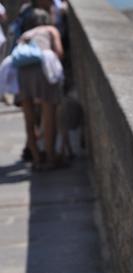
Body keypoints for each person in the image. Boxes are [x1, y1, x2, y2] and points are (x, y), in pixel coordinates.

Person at [16, 9, 64, 170]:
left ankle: (36, 159)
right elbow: (59, 52)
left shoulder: (25, 34)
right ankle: (51, 157)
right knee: (49, 115)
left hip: (22, 73)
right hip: (43, 70)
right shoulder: (51, 29)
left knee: (29, 120)